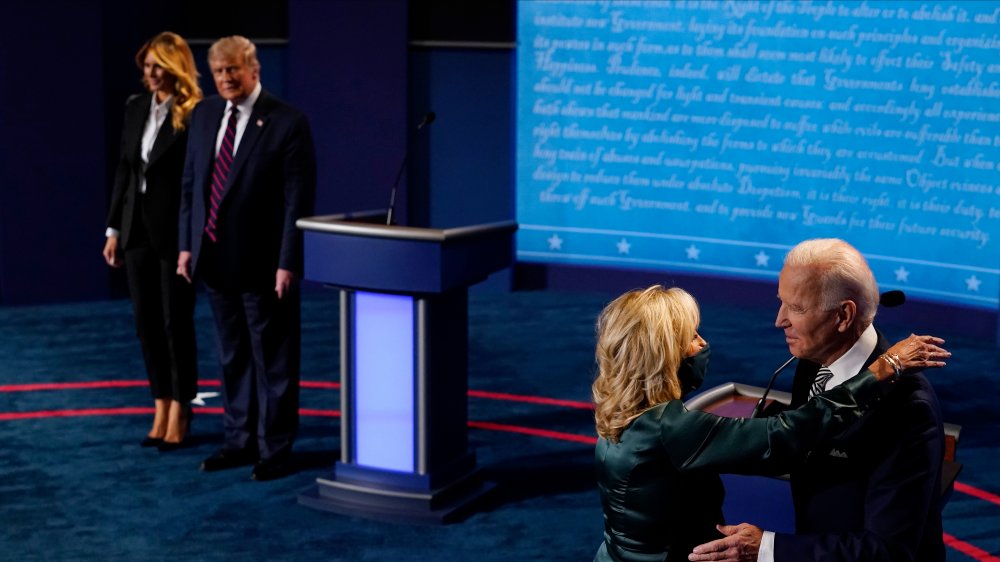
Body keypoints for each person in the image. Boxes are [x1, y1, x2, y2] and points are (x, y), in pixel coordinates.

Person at [591, 285, 948, 562]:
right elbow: (785, 437)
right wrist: (881, 370)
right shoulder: (671, 429)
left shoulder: (620, 405)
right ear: (662, 355)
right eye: (692, 338)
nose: (703, 344)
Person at [690, 238, 947, 562]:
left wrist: (767, 549)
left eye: (796, 308)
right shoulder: (814, 359)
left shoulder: (908, 410)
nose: (779, 320)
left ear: (843, 316)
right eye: (781, 302)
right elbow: (804, 438)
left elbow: (888, 552)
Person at [177, 35, 316, 481]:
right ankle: (239, 441)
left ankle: (275, 447)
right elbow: (191, 186)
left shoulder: (287, 122)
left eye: (233, 70)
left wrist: (288, 261)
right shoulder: (204, 114)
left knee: (272, 359)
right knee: (232, 355)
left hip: (264, 264)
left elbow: (298, 200)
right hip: (214, 258)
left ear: (254, 70)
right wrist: (186, 245)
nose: (225, 79)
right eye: (218, 72)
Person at [103, 31, 202, 450]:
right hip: (135, 230)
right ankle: (159, 404)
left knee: (174, 322)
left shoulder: (196, 113)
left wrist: (192, 239)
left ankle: (181, 409)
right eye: (147, 66)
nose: (151, 73)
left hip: (175, 233)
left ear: (176, 66)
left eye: (159, 65)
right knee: (146, 323)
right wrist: (112, 230)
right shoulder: (135, 108)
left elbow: (197, 182)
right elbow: (125, 172)